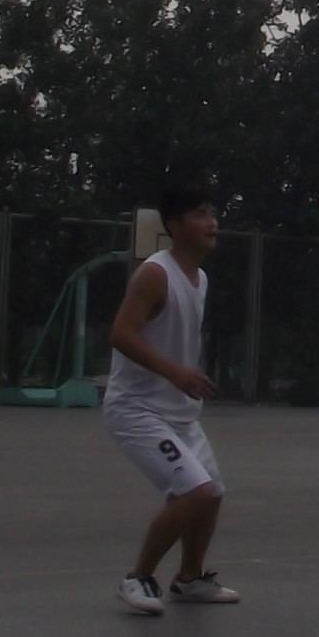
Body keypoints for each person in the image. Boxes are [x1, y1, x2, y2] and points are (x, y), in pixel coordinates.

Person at [105, 183, 239, 611]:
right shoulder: (155, 274)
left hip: (179, 413)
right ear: (174, 226)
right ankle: (138, 578)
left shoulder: (200, 279)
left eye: (212, 213)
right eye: (200, 214)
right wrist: (176, 373)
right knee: (194, 492)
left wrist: (182, 381)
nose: (212, 222)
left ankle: (190, 579)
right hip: (136, 410)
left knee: (211, 495)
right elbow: (120, 334)